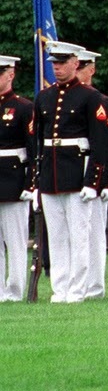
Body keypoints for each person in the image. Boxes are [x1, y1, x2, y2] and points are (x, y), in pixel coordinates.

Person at [31, 41, 108, 303]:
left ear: (75, 63)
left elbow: (100, 144)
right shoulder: (44, 97)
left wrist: (94, 181)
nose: (56, 67)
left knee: (79, 237)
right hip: (52, 175)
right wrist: (36, 182)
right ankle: (60, 288)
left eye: (62, 63)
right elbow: (38, 144)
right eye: (54, 63)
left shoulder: (91, 98)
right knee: (56, 237)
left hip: (77, 174)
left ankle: (78, 289)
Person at [73, 48, 108, 299]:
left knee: (93, 234)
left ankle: (94, 286)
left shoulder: (102, 101)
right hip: (72, 174)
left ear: (91, 70)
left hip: (96, 177)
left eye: (82, 68)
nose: (78, 73)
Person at [0, 54, 34, 301]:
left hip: (13, 177)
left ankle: (15, 290)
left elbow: (34, 150)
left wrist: (30, 183)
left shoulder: (24, 107)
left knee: (15, 240)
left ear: (11, 74)